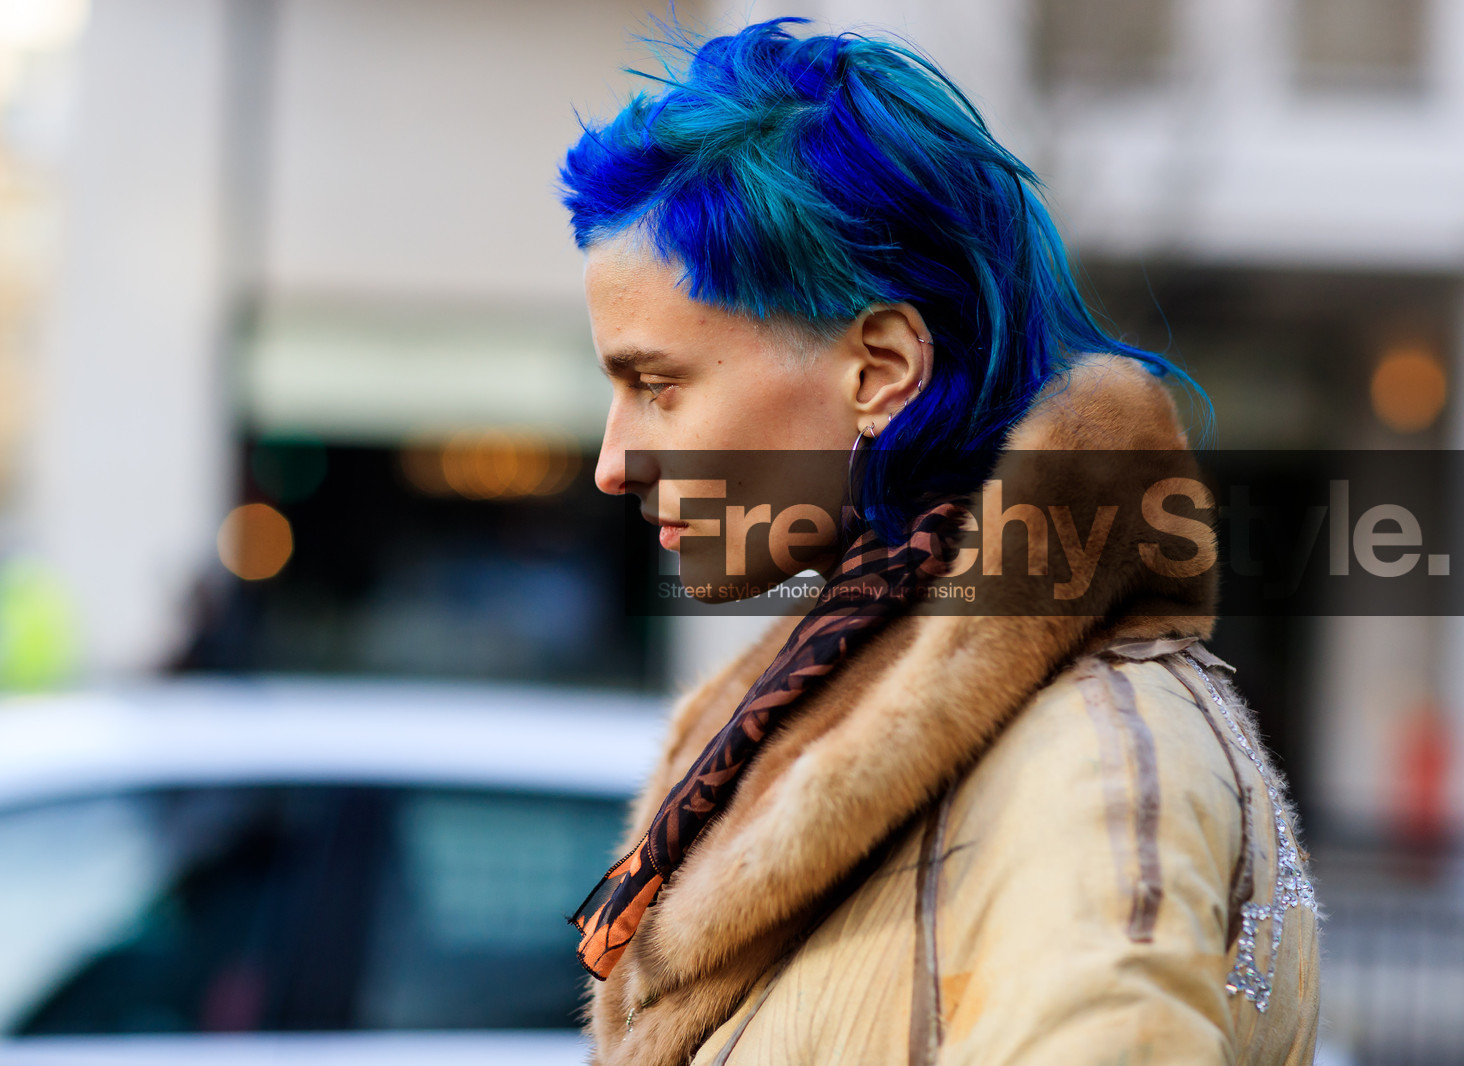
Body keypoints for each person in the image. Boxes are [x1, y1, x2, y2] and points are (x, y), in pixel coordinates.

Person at [558, 19, 1320, 1066]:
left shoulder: (1091, 752)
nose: (612, 460)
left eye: (656, 385)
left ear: (877, 370)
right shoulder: (831, 698)